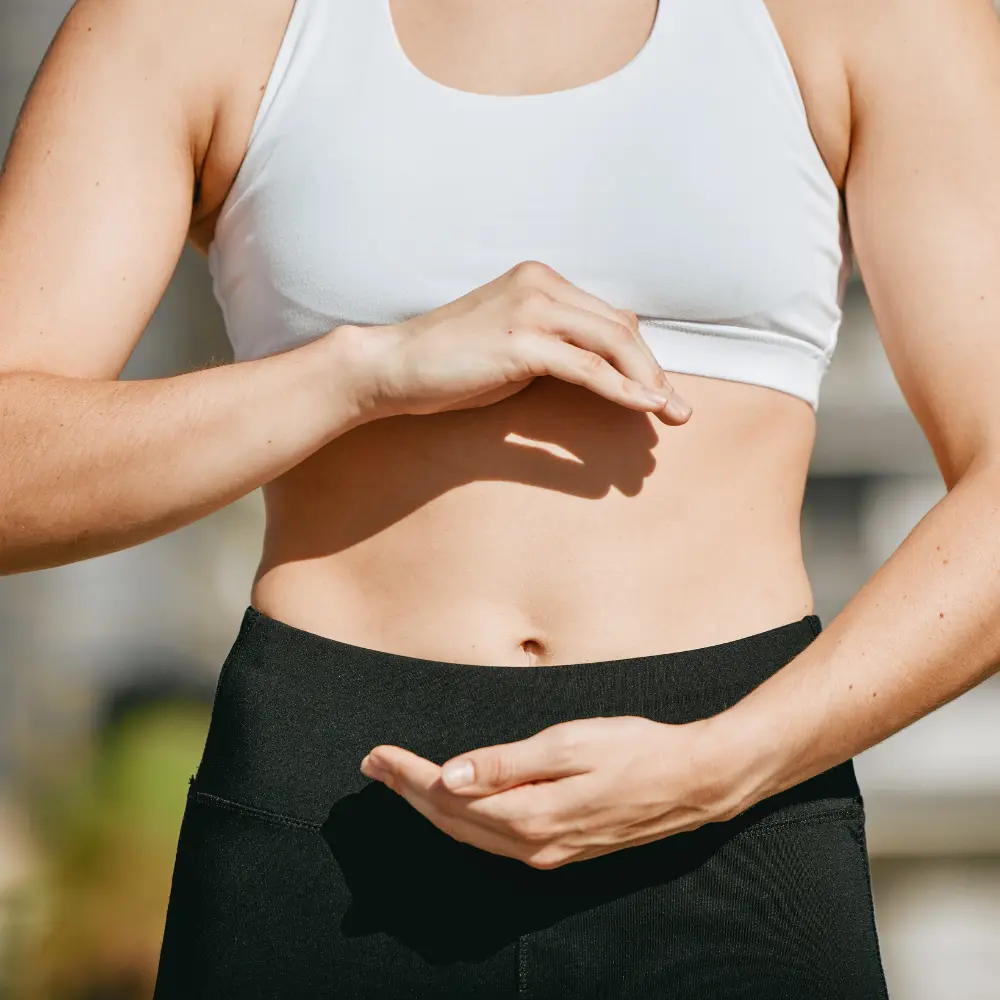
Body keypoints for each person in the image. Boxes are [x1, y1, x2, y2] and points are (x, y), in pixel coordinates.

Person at [2, 0, 1000, 995]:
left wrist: (728, 763)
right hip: (333, 807)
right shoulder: (193, 20)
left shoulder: (874, 17)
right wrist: (362, 371)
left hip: (733, 817)